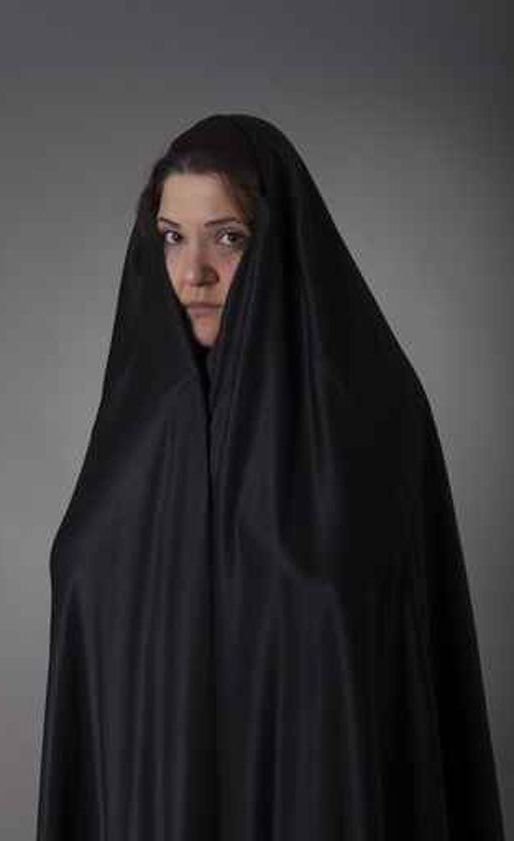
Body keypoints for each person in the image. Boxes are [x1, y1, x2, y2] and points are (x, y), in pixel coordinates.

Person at [35, 113, 505, 839]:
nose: (193, 273)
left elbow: (407, 687)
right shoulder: (133, 428)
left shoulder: (375, 418)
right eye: (172, 237)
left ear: (278, 242)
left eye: (228, 237)